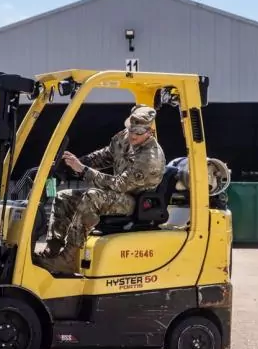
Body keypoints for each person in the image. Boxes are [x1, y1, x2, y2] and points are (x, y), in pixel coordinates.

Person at [33, 104, 166, 274]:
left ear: (149, 132)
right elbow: (104, 156)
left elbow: (120, 185)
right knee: (63, 196)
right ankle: (52, 250)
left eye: (138, 132)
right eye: (131, 129)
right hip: (117, 194)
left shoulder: (150, 158)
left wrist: (83, 170)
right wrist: (71, 165)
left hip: (136, 201)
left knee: (92, 197)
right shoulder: (124, 137)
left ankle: (68, 259)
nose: (133, 135)